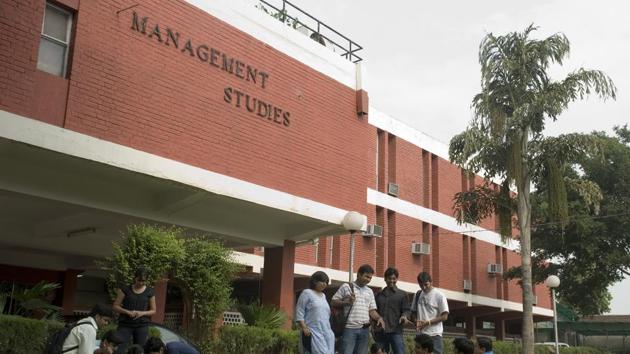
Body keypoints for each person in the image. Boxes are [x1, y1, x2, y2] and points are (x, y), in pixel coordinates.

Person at [332, 264, 385, 354]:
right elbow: (333, 302)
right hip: (349, 329)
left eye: (370, 278)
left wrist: (379, 318)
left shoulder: (369, 291)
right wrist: (346, 302)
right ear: (359, 274)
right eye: (366, 276)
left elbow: (371, 310)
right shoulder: (346, 286)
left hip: (365, 330)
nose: (368, 280)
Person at [113, 267, 157, 354]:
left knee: (140, 350)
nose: (141, 283)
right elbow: (115, 306)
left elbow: (153, 310)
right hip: (125, 324)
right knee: (119, 349)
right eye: (139, 280)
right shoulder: (125, 289)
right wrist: (127, 312)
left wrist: (142, 313)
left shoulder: (150, 292)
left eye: (143, 281)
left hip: (142, 325)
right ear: (135, 278)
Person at [295, 271, 335, 354]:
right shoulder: (307, 293)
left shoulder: (323, 295)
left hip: (326, 331)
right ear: (315, 281)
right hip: (312, 331)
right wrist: (304, 327)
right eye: (322, 281)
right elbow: (299, 311)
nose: (324, 284)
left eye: (326, 282)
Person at [374, 267, 411, 354]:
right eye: (389, 278)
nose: (391, 281)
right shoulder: (378, 295)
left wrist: (404, 316)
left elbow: (406, 310)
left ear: (397, 279)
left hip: (396, 331)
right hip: (381, 332)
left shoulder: (402, 294)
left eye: (394, 278)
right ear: (385, 279)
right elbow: (374, 311)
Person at [410, 272, 449, 354]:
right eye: (421, 285)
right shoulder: (418, 294)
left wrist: (428, 322)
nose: (424, 287)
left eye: (426, 284)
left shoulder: (439, 296)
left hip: (434, 334)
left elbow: (445, 316)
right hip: (420, 334)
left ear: (431, 282)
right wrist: (415, 321)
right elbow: (413, 312)